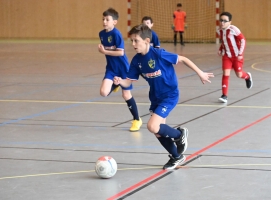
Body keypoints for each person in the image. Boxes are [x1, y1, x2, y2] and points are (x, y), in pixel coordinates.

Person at [113, 24, 214, 170]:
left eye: (136, 41)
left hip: (170, 95)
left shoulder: (159, 54)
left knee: (152, 126)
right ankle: (176, 157)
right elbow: (128, 81)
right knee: (158, 132)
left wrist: (200, 73)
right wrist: (120, 81)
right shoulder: (136, 61)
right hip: (155, 97)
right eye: (132, 41)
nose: (133, 44)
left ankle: (179, 134)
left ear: (147, 40)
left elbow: (183, 59)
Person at [98, 8, 142, 131]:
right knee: (103, 93)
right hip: (111, 69)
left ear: (115, 22)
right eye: (103, 19)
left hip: (122, 69)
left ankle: (137, 120)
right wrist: (103, 49)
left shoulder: (116, 34)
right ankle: (115, 85)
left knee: (126, 94)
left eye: (107, 19)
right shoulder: (101, 34)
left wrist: (104, 51)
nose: (105, 22)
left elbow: (120, 53)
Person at [217, 11, 253, 103]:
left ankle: (247, 77)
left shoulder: (233, 29)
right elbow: (224, 41)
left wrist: (240, 54)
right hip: (227, 56)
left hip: (236, 56)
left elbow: (243, 40)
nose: (222, 22)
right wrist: (221, 49)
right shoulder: (220, 30)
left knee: (239, 74)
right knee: (225, 74)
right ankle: (224, 95)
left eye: (225, 21)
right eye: (221, 20)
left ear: (230, 22)